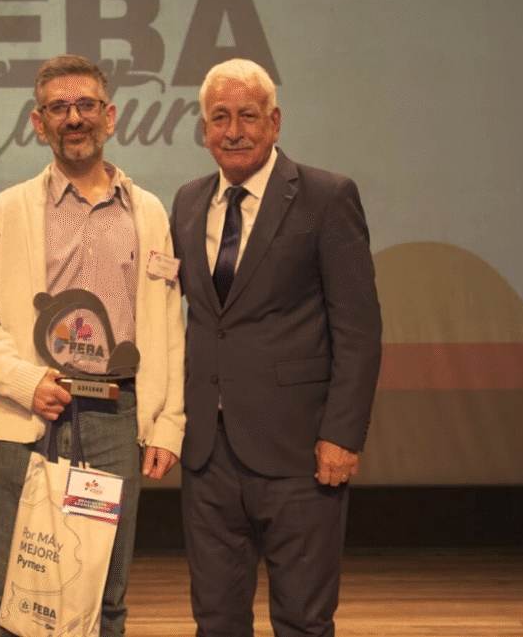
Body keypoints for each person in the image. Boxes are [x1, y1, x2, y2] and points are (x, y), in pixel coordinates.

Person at [170, 59, 382, 637]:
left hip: (300, 453)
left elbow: (358, 329)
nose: (234, 130)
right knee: (216, 622)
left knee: (303, 620)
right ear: (204, 128)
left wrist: (342, 435)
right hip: (207, 455)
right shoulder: (187, 202)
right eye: (220, 118)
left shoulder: (326, 196)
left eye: (248, 115)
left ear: (275, 121)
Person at [0, 54, 185, 637]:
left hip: (115, 417)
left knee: (105, 596)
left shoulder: (147, 212)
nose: (74, 118)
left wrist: (168, 424)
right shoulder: (7, 211)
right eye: (59, 108)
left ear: (109, 116)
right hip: (29, 416)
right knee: (20, 598)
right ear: (38, 123)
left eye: (86, 105)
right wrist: (26, 382)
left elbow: (168, 324)